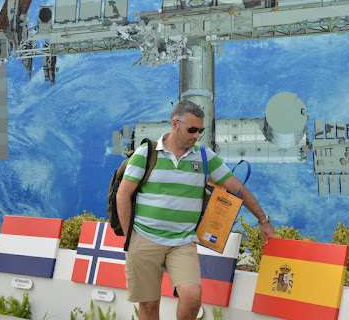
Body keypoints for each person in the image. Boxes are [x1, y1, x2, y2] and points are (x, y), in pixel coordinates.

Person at [116, 100, 276, 320]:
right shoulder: (146, 153)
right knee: (150, 305)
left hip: (182, 242)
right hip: (144, 238)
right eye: (192, 129)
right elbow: (123, 194)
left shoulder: (204, 156)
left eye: (200, 130)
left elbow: (238, 189)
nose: (196, 135)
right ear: (175, 124)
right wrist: (131, 238)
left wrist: (263, 220)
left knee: (192, 297)